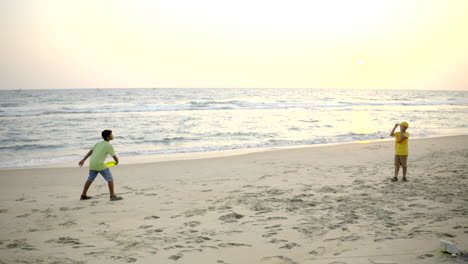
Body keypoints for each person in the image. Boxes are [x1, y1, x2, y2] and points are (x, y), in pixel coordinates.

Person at [78, 130, 123, 201]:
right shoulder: (109, 145)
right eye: (111, 134)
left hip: (92, 163)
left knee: (90, 178)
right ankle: (112, 196)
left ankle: (83, 195)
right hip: (99, 164)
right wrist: (117, 162)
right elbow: (114, 156)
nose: (112, 135)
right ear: (108, 137)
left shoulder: (98, 143)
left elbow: (91, 152)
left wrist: (83, 160)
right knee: (110, 179)